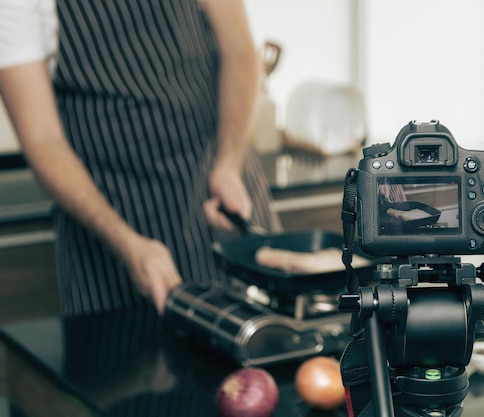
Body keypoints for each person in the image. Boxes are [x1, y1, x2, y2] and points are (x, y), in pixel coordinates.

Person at [0, 0, 282, 316]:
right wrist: (127, 244)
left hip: (218, 191)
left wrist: (228, 163)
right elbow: (43, 140)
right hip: (110, 221)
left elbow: (240, 50)